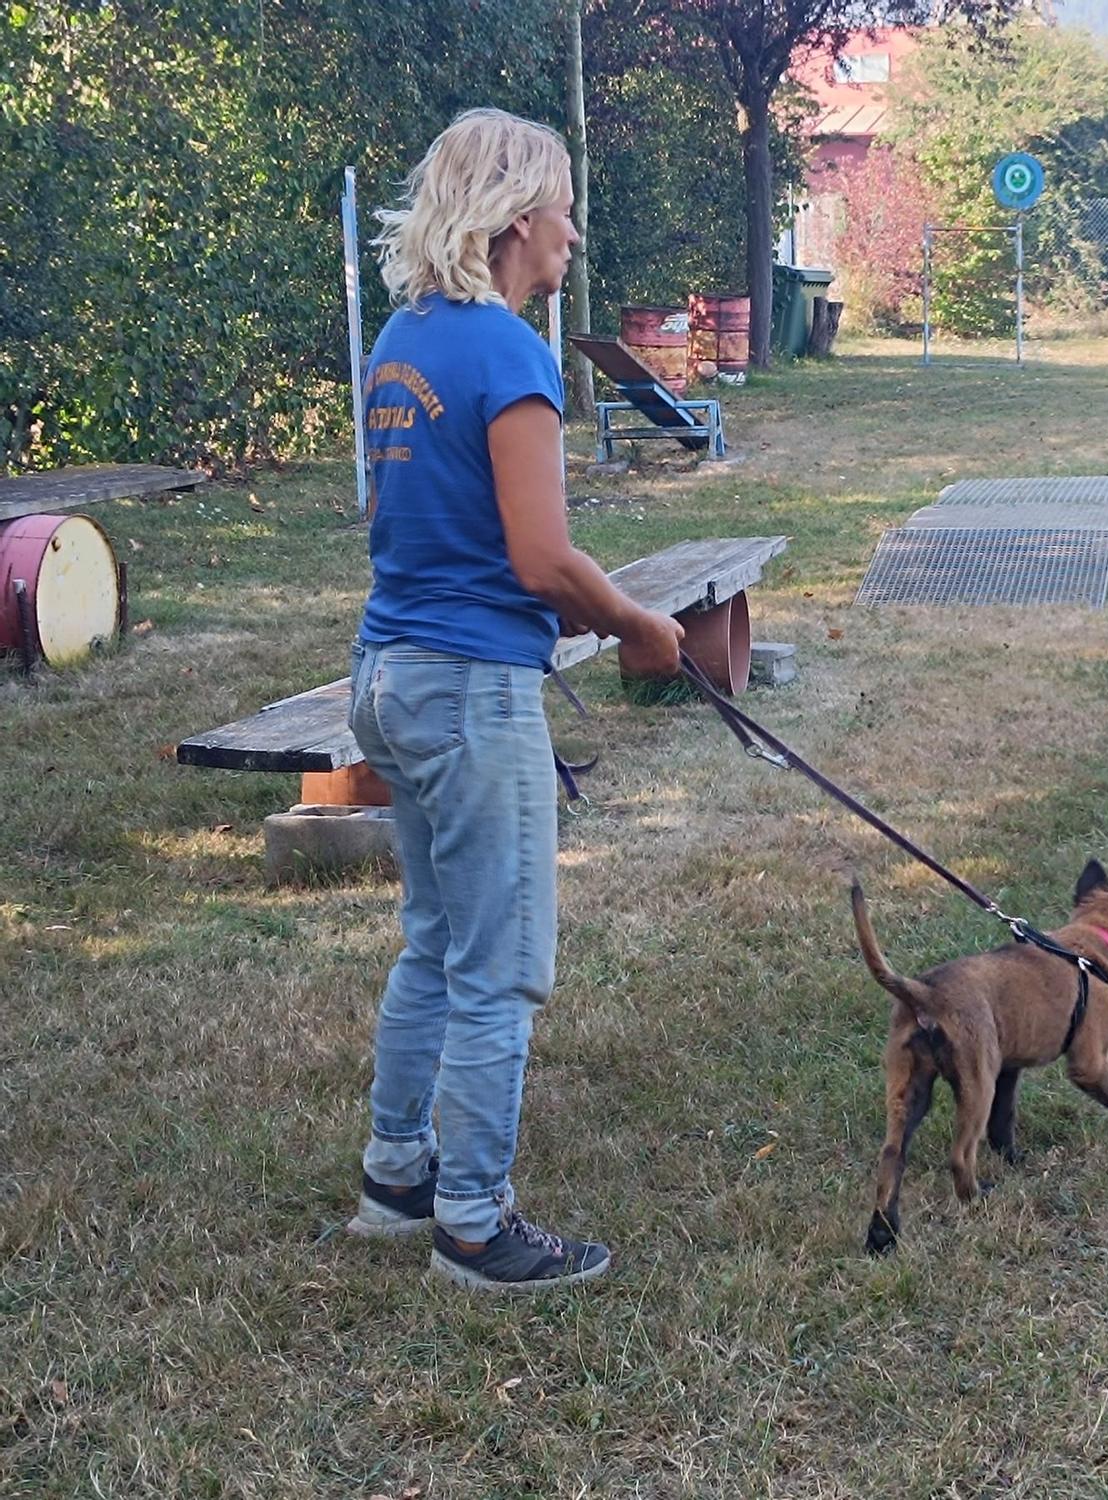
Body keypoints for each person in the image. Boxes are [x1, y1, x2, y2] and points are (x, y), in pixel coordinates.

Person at [342, 108, 684, 1290]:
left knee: (434, 942)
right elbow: (541, 562)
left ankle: (399, 1177)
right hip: (470, 694)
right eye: (565, 211)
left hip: (385, 675)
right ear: (517, 219)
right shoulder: (505, 353)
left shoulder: (401, 340)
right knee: (499, 967)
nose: (575, 236)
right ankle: (476, 1228)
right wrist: (642, 628)